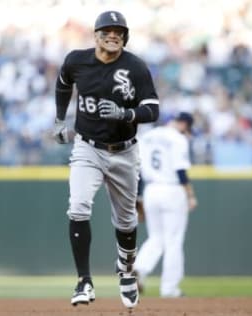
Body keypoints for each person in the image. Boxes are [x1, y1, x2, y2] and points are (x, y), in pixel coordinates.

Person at [52, 10, 160, 309]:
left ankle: (126, 271)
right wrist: (60, 120)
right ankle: (83, 281)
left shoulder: (135, 66)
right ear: (95, 34)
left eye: (118, 32)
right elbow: (63, 84)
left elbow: (153, 108)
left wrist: (126, 113)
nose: (113, 36)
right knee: (78, 206)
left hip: (124, 151)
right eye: (107, 31)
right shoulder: (77, 60)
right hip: (87, 147)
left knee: (126, 220)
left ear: (125, 37)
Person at [134, 112, 198, 298]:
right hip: (172, 189)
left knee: (156, 238)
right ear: (184, 124)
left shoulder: (147, 136)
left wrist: (138, 197)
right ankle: (170, 289)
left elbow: (136, 167)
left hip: (151, 190)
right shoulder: (178, 138)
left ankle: (138, 269)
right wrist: (191, 195)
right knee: (174, 241)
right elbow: (180, 172)